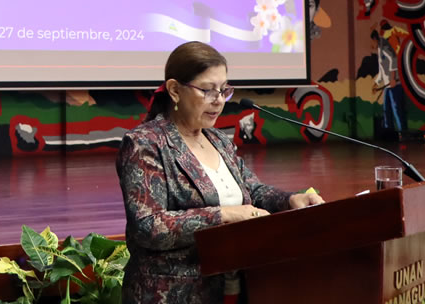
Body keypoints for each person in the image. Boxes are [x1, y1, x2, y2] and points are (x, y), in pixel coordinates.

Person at [116, 42, 324, 303]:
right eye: (207, 90)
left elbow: (253, 191)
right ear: (175, 90)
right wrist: (223, 215)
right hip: (171, 294)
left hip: (230, 288)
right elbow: (148, 226)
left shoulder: (219, 140)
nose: (218, 100)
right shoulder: (146, 143)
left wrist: (291, 200)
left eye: (224, 90)